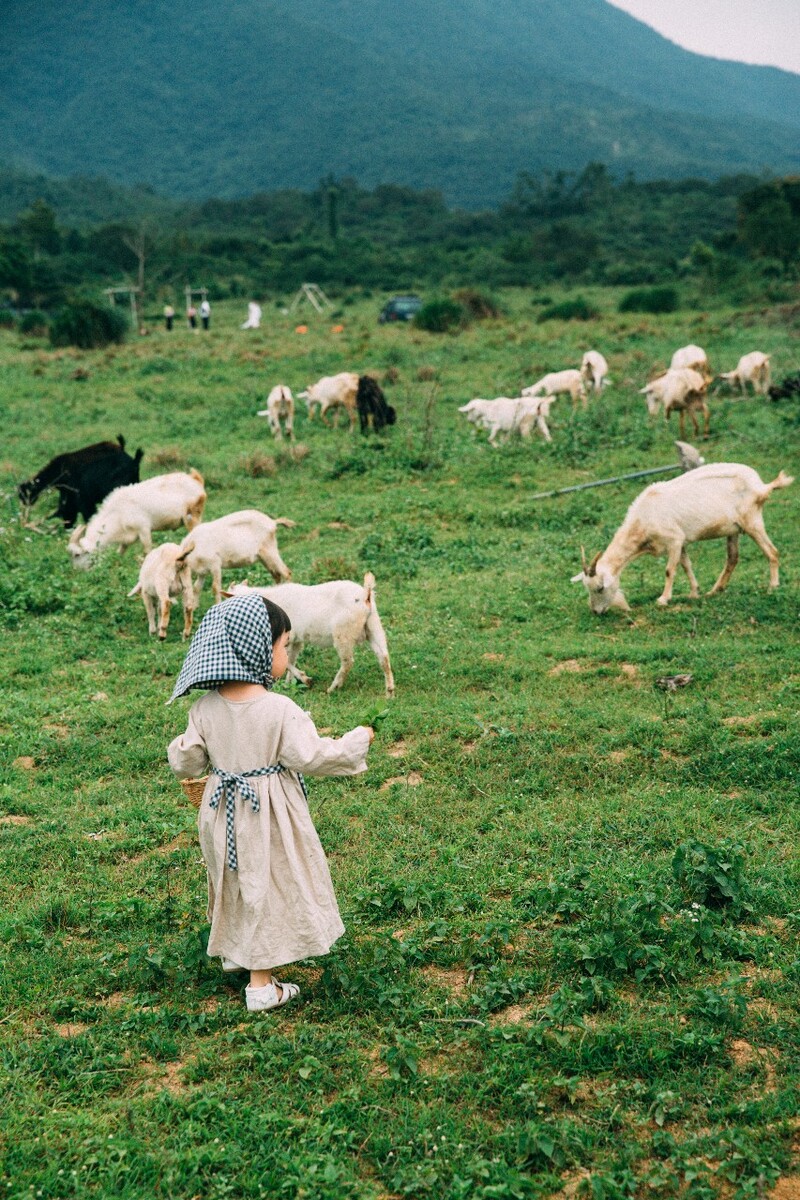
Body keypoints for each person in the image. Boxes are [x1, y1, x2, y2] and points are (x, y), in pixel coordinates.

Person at [167, 593, 373, 1012]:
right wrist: (355, 743)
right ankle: (261, 985)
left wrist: (184, 748)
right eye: (283, 645)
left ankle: (236, 948)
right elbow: (312, 757)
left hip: (220, 809)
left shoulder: (204, 708)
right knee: (269, 884)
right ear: (257, 649)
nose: (285, 653)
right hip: (268, 815)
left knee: (237, 880)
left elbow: (188, 761)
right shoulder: (280, 708)